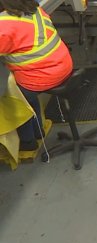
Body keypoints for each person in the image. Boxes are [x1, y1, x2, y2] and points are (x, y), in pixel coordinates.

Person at [0, 0, 73, 151]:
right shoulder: (36, 10)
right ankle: (38, 130)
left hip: (42, 76)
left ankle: (28, 141)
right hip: (63, 65)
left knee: (15, 97)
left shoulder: (4, 23)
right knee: (26, 90)